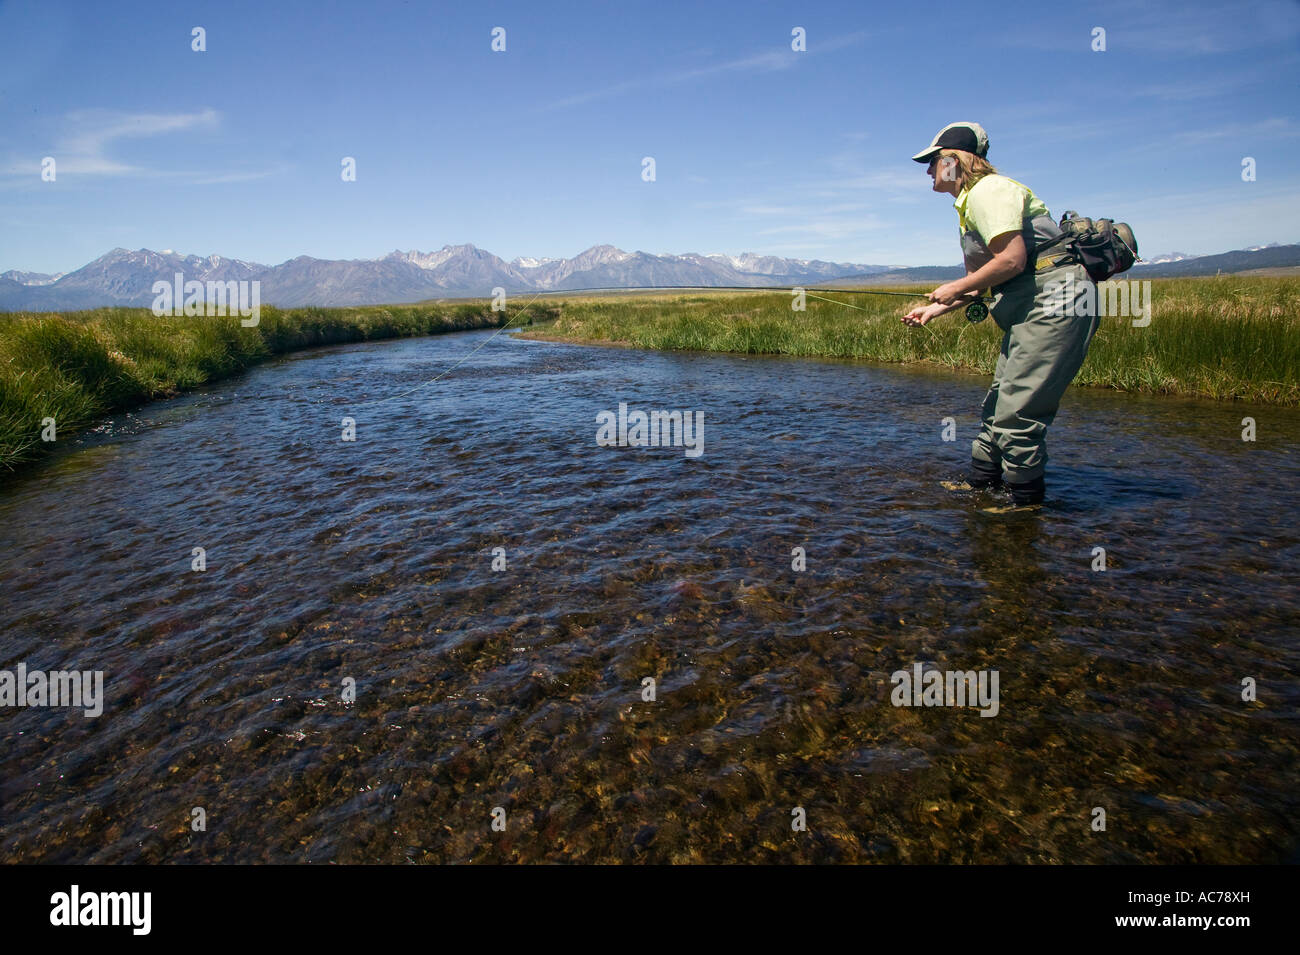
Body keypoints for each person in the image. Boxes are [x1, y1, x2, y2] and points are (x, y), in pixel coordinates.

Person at [902, 122, 1099, 507]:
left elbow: (1011, 260)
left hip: (1055, 301)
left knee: (1017, 414)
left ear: (953, 161)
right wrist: (933, 309)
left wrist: (954, 288)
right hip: (1032, 304)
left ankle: (1024, 509)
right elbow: (981, 285)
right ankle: (979, 490)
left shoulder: (989, 191)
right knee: (996, 407)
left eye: (932, 161)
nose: (927, 170)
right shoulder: (969, 204)